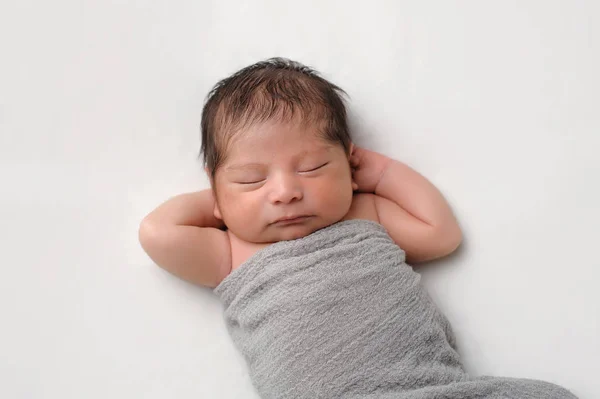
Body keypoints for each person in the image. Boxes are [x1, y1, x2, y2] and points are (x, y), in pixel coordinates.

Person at [138, 58, 576, 398]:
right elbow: (157, 232)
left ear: (350, 163)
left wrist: (380, 174)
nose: (286, 191)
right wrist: (220, 200)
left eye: (312, 168)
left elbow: (441, 235)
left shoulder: (366, 214)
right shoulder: (230, 254)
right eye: (252, 179)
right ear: (216, 194)